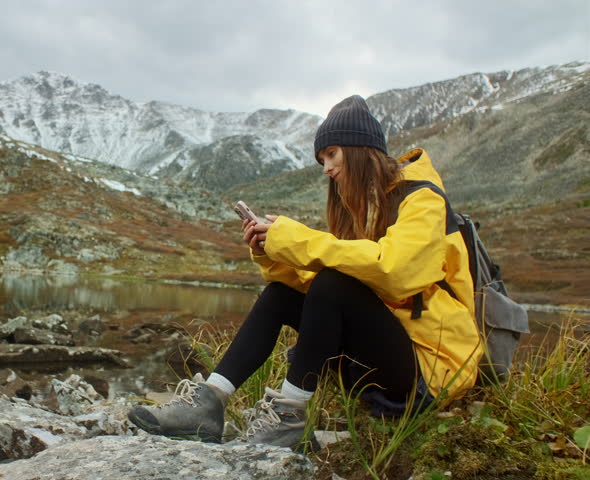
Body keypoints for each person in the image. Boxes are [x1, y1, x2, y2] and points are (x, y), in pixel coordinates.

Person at [128, 95, 483, 447]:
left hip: (428, 369)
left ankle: (289, 416)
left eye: (332, 154)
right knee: (282, 295)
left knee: (333, 283)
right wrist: (272, 253)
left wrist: (298, 240)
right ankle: (209, 403)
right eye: (321, 160)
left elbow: (395, 270)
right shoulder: (364, 207)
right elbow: (326, 290)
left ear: (359, 148)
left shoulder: (422, 199)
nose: (326, 168)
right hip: (383, 358)